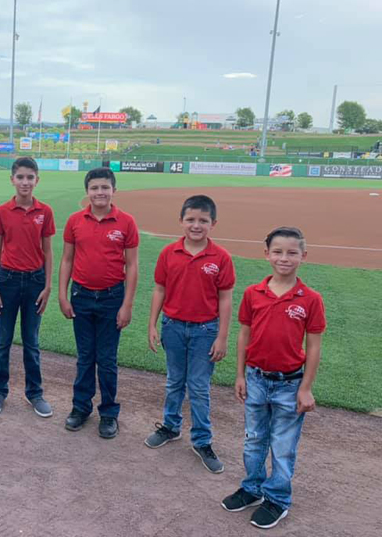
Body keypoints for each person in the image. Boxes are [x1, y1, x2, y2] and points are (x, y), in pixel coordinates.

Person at [221, 227, 325, 530]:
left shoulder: (310, 299)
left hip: (290, 384)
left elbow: (314, 345)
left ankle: (277, 499)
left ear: (303, 256)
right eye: (278, 251)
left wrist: (306, 388)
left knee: (283, 445)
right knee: (254, 439)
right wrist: (240, 374)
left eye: (292, 252)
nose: (284, 258)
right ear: (266, 253)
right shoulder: (254, 293)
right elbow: (245, 335)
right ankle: (253, 488)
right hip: (256, 378)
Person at [145, 195, 235, 474]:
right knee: (174, 381)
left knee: (198, 386)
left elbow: (225, 299)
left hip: (205, 330)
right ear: (181, 221)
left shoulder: (220, 257)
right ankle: (171, 426)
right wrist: (152, 324)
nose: (196, 225)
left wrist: (222, 336)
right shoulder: (169, 253)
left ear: (213, 224)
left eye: (203, 221)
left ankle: (202, 440)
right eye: (191, 220)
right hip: (173, 326)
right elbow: (160, 289)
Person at [58, 167, 139, 439]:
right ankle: (81, 408)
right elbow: (67, 259)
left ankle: (108, 412)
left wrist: (126, 304)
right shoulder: (75, 221)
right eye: (94, 188)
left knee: (106, 359)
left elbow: (133, 265)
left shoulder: (126, 222)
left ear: (114, 190)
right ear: (87, 191)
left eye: (105, 187)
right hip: (81, 297)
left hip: (111, 298)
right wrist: (62, 293)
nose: (100, 192)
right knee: (85, 358)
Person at [0, 157, 55, 418]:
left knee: (31, 341)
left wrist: (48, 286)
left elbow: (48, 252)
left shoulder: (45, 212)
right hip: (7, 281)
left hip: (35, 282)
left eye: (30, 177)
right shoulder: (2, 212)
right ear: (12, 179)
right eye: (21, 177)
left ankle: (34, 392)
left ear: (37, 180)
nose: (25, 182)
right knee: (2, 340)